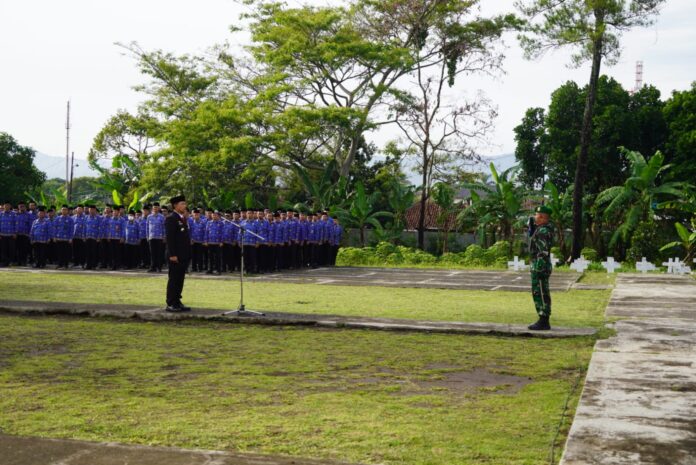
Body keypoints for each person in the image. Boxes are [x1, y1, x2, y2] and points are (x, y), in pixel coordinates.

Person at [528, 205, 554, 331]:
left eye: (537, 215)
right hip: (539, 264)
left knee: (542, 292)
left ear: (542, 217)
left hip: (540, 265)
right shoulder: (541, 229)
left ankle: (544, 320)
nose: (535, 217)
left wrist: (539, 266)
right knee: (539, 291)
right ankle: (542, 318)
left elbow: (542, 250)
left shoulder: (544, 230)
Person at [165, 195, 191, 312]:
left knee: (180, 279)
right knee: (174, 279)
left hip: (183, 255)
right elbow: (170, 238)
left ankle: (177, 301)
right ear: (175, 205)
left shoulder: (182, 218)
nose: (184, 206)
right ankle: (171, 303)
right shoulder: (171, 218)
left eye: (185, 204)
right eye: (182, 204)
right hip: (175, 255)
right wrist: (172, 254)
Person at [53, 205, 74, 269]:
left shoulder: (70, 219)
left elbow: (72, 229)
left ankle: (66, 265)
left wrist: (70, 238)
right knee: (59, 252)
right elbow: (54, 228)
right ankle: (60, 264)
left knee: (66, 252)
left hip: (66, 239)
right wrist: (54, 236)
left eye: (65, 210)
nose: (64, 211)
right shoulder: (57, 218)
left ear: (67, 211)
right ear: (61, 210)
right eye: (63, 210)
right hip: (59, 238)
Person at [147, 202, 166, 272]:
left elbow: (164, 227)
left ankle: (159, 267)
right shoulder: (149, 217)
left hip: (159, 237)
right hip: (151, 237)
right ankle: (152, 267)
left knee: (159, 253)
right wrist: (147, 236)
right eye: (154, 207)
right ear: (152, 208)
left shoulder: (162, 217)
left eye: (157, 207)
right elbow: (147, 227)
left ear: (159, 208)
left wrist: (164, 236)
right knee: (152, 253)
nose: (155, 209)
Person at [205, 210, 224, 275]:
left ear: (218, 216)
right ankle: (210, 269)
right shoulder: (208, 223)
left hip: (218, 243)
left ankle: (218, 270)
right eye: (213, 215)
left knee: (218, 257)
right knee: (210, 257)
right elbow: (206, 232)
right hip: (210, 242)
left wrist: (221, 241)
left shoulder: (221, 223)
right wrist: (206, 241)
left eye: (215, 215)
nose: (214, 216)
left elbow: (222, 233)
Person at [188, 208, 206, 272]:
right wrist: (190, 239)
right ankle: (194, 267)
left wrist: (204, 240)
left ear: (199, 215)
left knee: (200, 255)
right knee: (193, 255)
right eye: (195, 215)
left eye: (197, 215)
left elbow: (205, 232)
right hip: (193, 241)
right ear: (193, 215)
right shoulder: (191, 222)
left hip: (200, 241)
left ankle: (200, 268)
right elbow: (189, 232)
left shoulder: (203, 222)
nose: (196, 216)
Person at [15, 202, 32, 266]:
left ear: (25, 207)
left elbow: (30, 225)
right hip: (17, 234)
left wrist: (29, 234)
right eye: (20, 206)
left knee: (24, 249)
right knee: (18, 249)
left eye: (23, 206)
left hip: (25, 234)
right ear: (18, 207)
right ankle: (18, 261)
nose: (21, 207)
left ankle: (24, 261)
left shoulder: (28, 215)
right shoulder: (15, 214)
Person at [84, 205, 101, 270]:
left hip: (95, 237)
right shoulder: (86, 218)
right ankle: (88, 265)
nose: (91, 211)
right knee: (88, 252)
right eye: (90, 209)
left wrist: (99, 237)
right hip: (88, 236)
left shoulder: (98, 218)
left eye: (92, 209)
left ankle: (94, 265)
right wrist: (84, 236)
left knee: (94, 252)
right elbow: (84, 227)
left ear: (95, 210)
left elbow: (100, 228)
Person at [0, 202, 16, 266]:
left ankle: (11, 261)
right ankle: (4, 262)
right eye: (5, 205)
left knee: (11, 249)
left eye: (8, 205)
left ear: (10, 206)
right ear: (3, 206)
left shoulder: (14, 214)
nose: (6, 207)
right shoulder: (0, 214)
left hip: (11, 235)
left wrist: (15, 233)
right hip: (2, 234)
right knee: (3, 249)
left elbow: (16, 224)